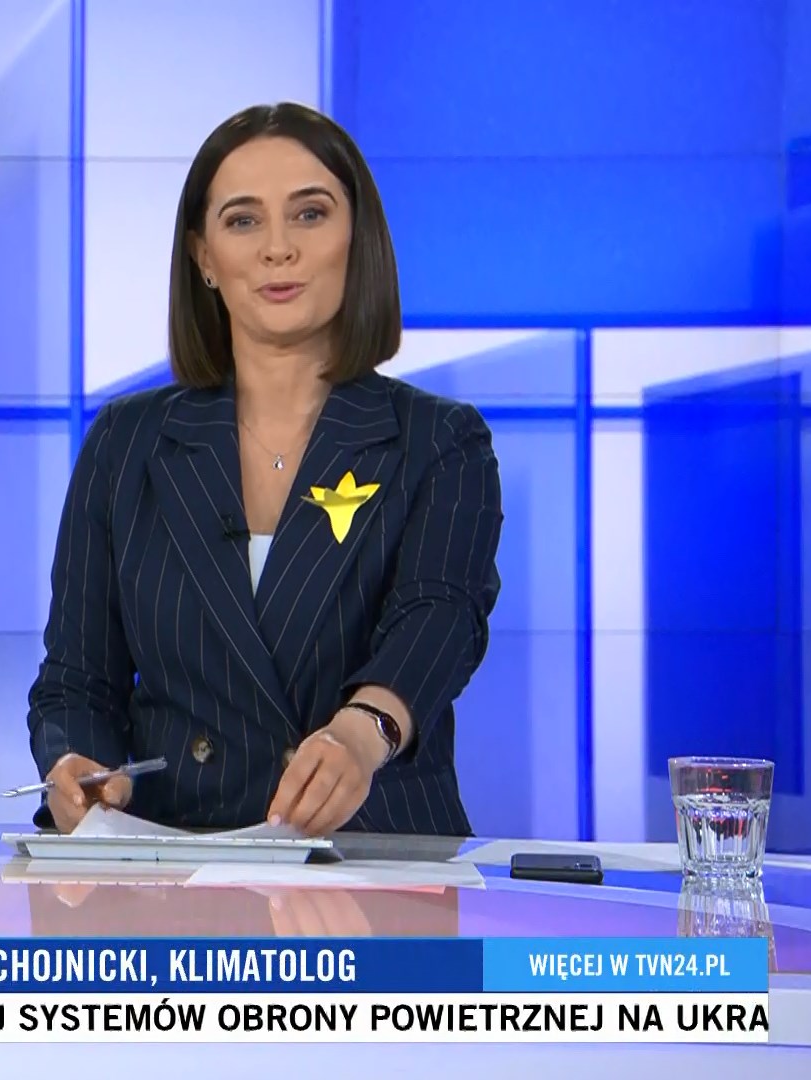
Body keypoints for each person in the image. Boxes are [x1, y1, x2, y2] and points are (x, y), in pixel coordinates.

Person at [26, 102, 503, 838]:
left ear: (358, 238)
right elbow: (76, 678)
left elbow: (439, 618)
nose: (278, 248)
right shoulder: (126, 443)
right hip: (175, 859)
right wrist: (76, 766)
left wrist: (362, 732)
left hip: (377, 853)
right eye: (243, 221)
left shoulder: (439, 440)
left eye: (310, 214)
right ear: (204, 257)